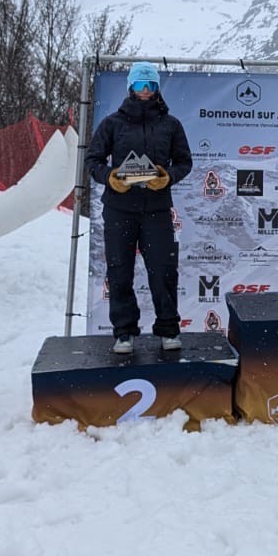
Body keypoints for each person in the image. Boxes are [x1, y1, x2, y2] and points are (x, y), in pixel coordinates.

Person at [85, 62, 193, 353]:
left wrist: (168, 177)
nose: (145, 91)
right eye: (139, 85)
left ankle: (168, 329)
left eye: (150, 85)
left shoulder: (171, 124)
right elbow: (93, 160)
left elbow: (184, 162)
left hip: (157, 209)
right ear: (130, 87)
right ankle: (124, 332)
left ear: (157, 88)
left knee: (163, 271)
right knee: (120, 271)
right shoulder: (112, 123)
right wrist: (109, 177)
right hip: (119, 209)